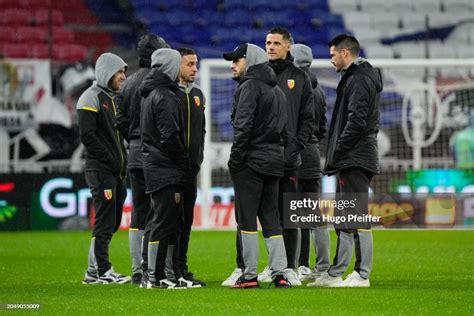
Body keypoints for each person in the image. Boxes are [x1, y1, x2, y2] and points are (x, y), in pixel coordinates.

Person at [315, 34, 382, 288]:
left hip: (355, 156)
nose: (331, 60)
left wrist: (340, 148)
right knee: (343, 217)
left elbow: (357, 120)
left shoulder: (359, 79)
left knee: (357, 215)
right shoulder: (355, 77)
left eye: (333, 54)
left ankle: (362, 273)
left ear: (345, 53)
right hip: (351, 156)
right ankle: (336, 273)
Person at [224, 43, 290, 288]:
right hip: (274, 161)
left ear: (249, 61)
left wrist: (235, 160)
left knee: (247, 219)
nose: (233, 65)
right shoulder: (278, 91)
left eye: (237, 60)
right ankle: (280, 273)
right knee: (272, 218)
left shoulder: (249, 87)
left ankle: (249, 274)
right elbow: (285, 133)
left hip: (251, 161)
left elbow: (243, 127)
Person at [139, 48, 200, 289]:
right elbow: (169, 136)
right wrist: (184, 162)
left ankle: (161, 274)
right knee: (163, 223)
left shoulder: (151, 92)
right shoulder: (164, 95)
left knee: (164, 222)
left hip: (158, 166)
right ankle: (155, 276)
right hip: (166, 168)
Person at [116, 34, 169, 285]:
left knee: (138, 211)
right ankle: (153, 268)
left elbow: (121, 123)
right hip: (156, 155)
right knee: (158, 212)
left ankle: (137, 268)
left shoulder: (127, 84)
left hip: (134, 153)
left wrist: (134, 140)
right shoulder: (160, 82)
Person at [78, 52, 131, 284]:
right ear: (106, 72)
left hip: (116, 170)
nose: (123, 76)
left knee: (113, 218)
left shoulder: (113, 98)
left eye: (124, 72)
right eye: (119, 72)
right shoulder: (91, 98)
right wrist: (111, 160)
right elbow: (88, 137)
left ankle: (93, 271)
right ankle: (102, 270)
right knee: (105, 219)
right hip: (101, 169)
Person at [289, 44, 331, 284]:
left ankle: (295, 265)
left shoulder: (292, 87)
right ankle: (319, 265)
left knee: (292, 213)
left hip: (295, 154)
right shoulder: (320, 90)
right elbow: (322, 127)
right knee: (314, 214)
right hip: (313, 154)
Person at [169, 47, 207, 285]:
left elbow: (201, 131)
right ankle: (168, 269)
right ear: (176, 66)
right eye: (189, 64)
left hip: (191, 170)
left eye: (195, 64)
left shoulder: (198, 95)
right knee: (170, 221)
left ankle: (181, 268)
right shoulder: (168, 95)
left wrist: (198, 157)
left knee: (186, 221)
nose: (194, 68)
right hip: (171, 170)